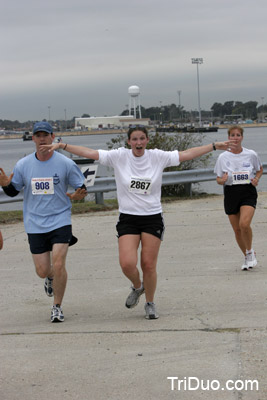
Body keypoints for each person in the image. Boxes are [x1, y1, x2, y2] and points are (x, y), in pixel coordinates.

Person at [40, 125, 236, 319]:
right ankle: (137, 286)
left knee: (148, 264)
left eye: (142, 138)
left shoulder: (157, 157)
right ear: (129, 142)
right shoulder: (119, 156)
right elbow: (91, 153)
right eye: (134, 139)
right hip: (128, 218)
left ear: (147, 140)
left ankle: (150, 303)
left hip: (152, 217)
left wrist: (213, 146)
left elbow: (186, 154)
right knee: (127, 264)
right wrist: (63, 146)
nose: (138, 142)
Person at [0, 121, 87, 322]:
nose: (42, 139)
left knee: (58, 263)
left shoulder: (65, 163)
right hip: (34, 222)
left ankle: (57, 306)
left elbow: (81, 187)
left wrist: (77, 196)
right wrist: (5, 185)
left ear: (52, 137)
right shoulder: (24, 164)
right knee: (42, 271)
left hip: (60, 219)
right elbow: (13, 191)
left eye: (45, 135)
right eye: (38, 135)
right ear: (33, 139)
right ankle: (49, 277)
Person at [214, 125, 263, 271]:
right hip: (230, 193)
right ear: (228, 137)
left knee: (244, 224)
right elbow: (218, 178)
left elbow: (259, 169)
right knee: (236, 230)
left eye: (238, 135)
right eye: (232, 135)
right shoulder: (223, 157)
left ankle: (249, 251)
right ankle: (248, 256)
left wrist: (256, 179)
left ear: (242, 137)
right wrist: (222, 180)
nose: (235, 138)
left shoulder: (251, 154)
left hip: (247, 191)